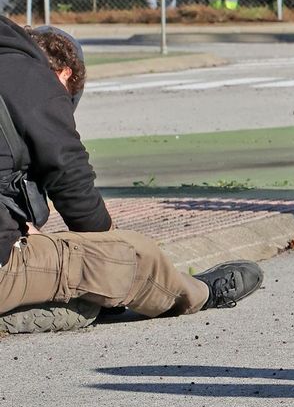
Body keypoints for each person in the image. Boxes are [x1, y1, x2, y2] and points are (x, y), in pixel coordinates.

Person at [0, 18, 262, 331]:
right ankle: (200, 294)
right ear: (65, 74)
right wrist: (109, 248)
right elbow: (75, 191)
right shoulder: (34, 80)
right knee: (134, 256)